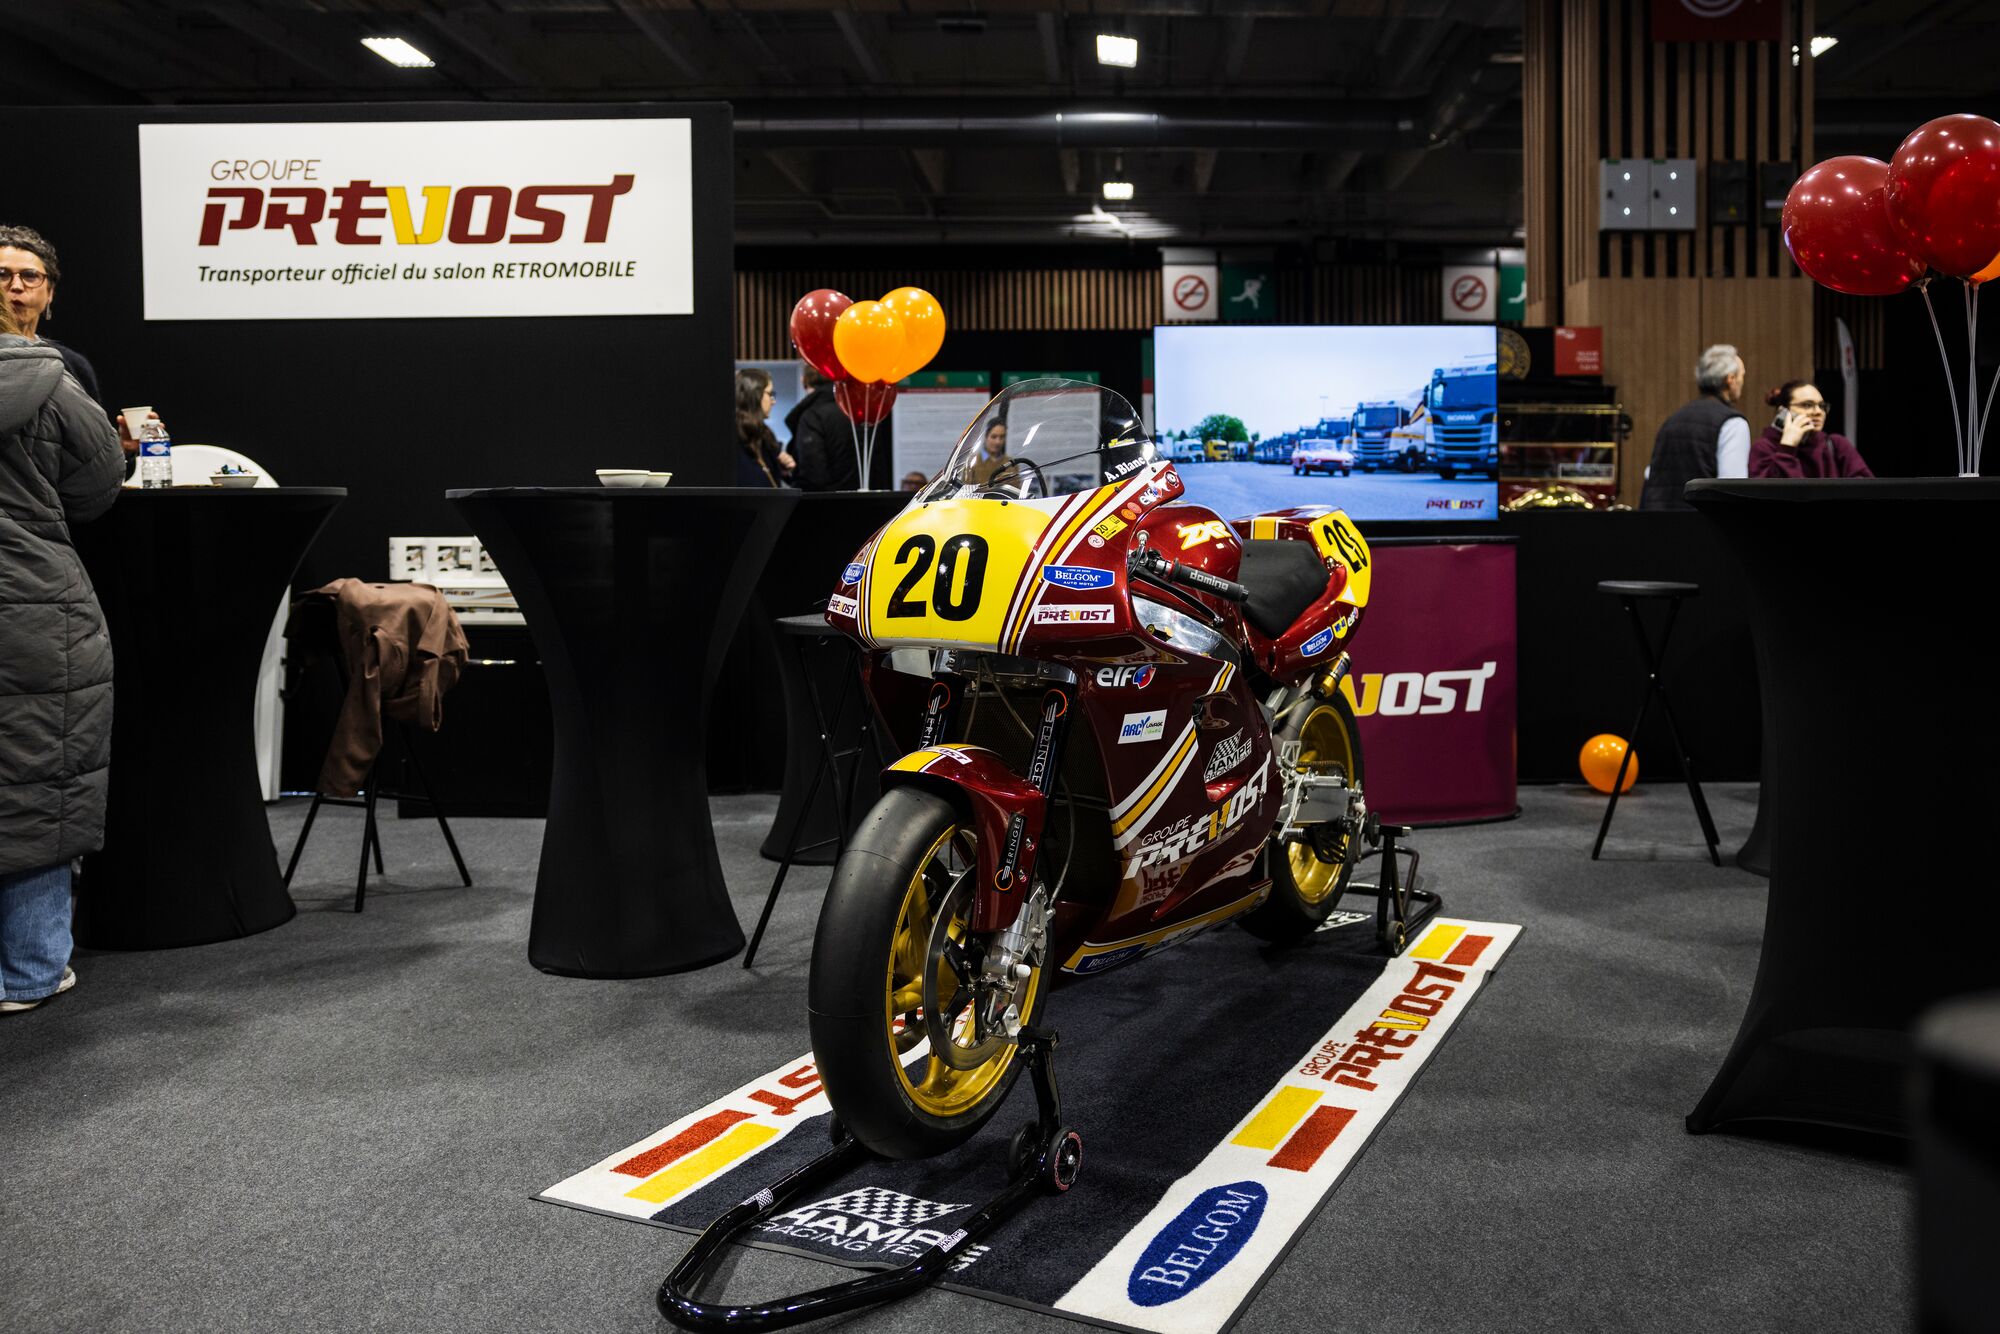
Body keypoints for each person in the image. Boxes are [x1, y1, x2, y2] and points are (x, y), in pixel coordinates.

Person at [0, 301, 124, 1014]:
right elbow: (98, 486)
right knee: (38, 777)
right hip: (35, 602)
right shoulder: (51, 380)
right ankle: (28, 971)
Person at [1639, 343, 1750, 510]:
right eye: (1742, 376)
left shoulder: (1672, 420)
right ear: (1730, 380)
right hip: (1703, 522)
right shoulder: (1732, 423)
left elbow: (1652, 479)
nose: (1742, 381)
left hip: (1661, 521)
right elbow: (1733, 489)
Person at [1751, 380, 1873, 479]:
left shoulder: (1837, 444)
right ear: (1783, 411)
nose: (1818, 412)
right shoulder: (1764, 447)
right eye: (1807, 405)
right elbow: (1768, 492)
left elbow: (1866, 488)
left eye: (1822, 406)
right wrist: (1787, 448)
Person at [785, 365, 859, 492]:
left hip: (825, 500)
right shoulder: (856, 411)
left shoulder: (812, 416)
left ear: (804, 380)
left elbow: (813, 474)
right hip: (863, 498)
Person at [734, 367, 793, 488]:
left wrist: (782, 469)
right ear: (754, 394)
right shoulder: (735, 435)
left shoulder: (764, 433)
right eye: (770, 394)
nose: (773, 401)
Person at [965, 419, 1011, 485]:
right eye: (994, 437)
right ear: (986, 437)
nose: (998, 442)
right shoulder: (973, 462)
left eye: (1002, 437)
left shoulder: (1010, 463)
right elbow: (965, 488)